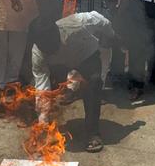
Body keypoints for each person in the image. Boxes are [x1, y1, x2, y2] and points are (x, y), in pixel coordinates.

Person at [30, 12, 115, 153]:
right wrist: (43, 124)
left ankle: (92, 133)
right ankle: (69, 92)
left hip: (87, 56)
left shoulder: (77, 24)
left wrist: (110, 35)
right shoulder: (38, 54)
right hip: (60, 66)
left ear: (57, 33)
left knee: (94, 84)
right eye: (45, 49)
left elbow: (100, 19)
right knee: (55, 91)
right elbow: (42, 89)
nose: (50, 50)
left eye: (52, 46)